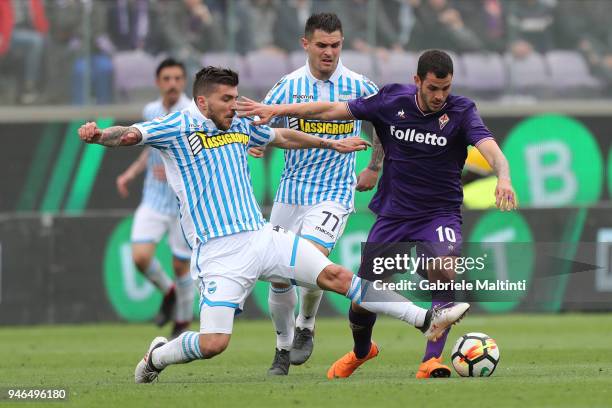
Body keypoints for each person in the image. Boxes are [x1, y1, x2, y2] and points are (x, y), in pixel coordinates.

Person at [78, 66, 470, 384]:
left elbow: (280, 135)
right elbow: (128, 134)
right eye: (226, 99)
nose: (235, 105)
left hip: (262, 235)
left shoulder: (239, 123)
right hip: (218, 251)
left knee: (334, 275)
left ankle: (425, 319)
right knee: (215, 343)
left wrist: (330, 145)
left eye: (235, 97)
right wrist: (98, 136)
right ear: (203, 101)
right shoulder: (176, 126)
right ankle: (157, 356)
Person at [237, 49, 517, 379]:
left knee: (444, 268)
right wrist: (278, 110)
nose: (440, 96)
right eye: (433, 88)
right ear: (417, 81)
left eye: (446, 88)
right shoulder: (390, 101)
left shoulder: (462, 110)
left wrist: (504, 176)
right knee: (365, 297)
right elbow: (331, 110)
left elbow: (489, 147)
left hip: (439, 213)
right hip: (394, 215)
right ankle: (361, 350)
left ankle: (431, 361)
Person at [253, 12, 379, 375]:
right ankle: (282, 347)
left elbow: (382, 123)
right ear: (305, 44)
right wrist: (256, 144)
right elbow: (260, 123)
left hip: (334, 192)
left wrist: (374, 165)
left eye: (335, 45)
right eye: (322, 45)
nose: (329, 52)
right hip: (291, 192)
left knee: (309, 258)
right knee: (278, 274)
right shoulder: (287, 86)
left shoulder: (359, 86)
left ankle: (306, 323)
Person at [115, 58, 193, 338]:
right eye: (167, 79)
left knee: (181, 265)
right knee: (140, 257)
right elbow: (148, 147)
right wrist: (131, 173)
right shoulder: (151, 110)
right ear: (158, 82)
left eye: (177, 78)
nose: (172, 84)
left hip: (182, 202)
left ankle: (182, 323)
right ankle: (168, 291)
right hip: (153, 198)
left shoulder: (192, 112)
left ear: (183, 82)